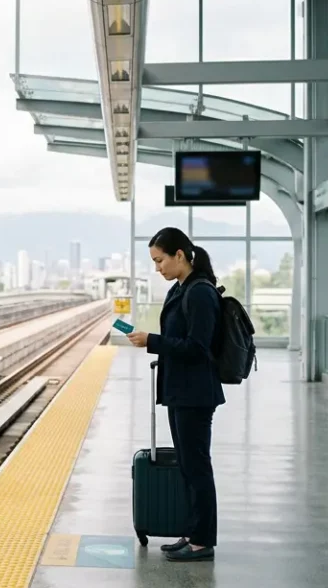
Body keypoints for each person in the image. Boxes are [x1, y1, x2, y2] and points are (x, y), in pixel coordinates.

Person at [124, 226, 224, 562]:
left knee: (197, 466)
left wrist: (151, 341)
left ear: (179, 255)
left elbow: (198, 347)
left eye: (160, 260)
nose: (157, 268)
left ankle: (202, 541)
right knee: (188, 466)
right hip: (180, 391)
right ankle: (192, 533)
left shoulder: (200, 293)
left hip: (195, 394)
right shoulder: (181, 289)